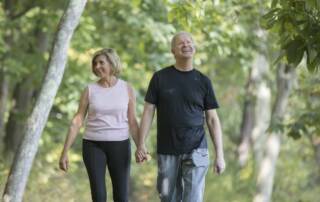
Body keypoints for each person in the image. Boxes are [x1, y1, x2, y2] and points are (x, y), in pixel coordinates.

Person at [135, 32, 226, 202]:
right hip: (167, 148)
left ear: (195, 48)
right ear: (173, 51)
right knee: (167, 197)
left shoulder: (203, 81)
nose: (186, 45)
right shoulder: (160, 78)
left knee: (194, 199)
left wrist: (219, 155)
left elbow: (213, 119)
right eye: (181, 43)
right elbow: (148, 112)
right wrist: (141, 143)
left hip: (198, 148)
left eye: (189, 42)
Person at [59, 48, 139, 202]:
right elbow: (77, 121)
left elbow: (133, 122)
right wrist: (64, 152)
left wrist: (140, 146)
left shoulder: (126, 89)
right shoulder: (90, 90)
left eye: (101, 62)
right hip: (93, 145)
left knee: (122, 197)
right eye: (95, 63)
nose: (97, 66)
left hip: (120, 145)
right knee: (99, 197)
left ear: (112, 63)